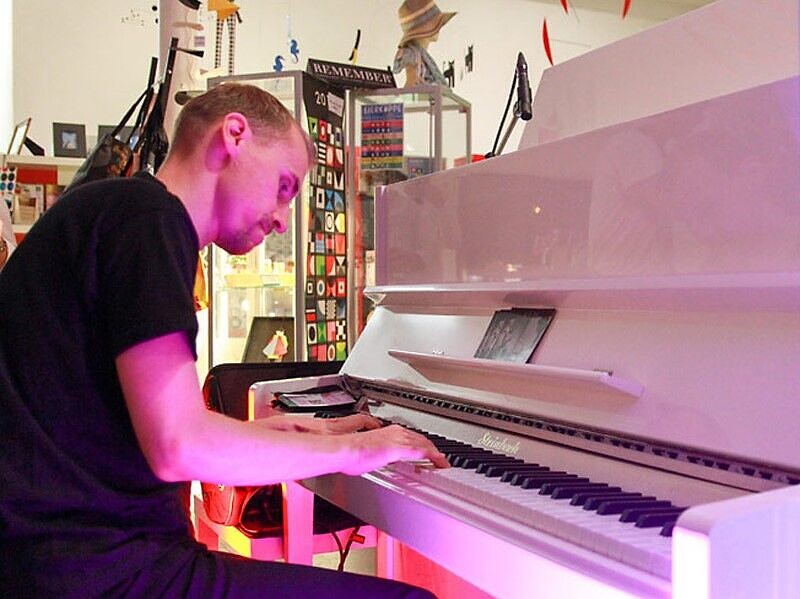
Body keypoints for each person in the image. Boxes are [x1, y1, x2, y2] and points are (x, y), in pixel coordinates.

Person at [0, 83, 447, 598]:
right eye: (284, 187)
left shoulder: (115, 211)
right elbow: (180, 446)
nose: (282, 219)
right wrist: (353, 450)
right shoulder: (147, 219)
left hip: (67, 561)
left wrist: (305, 435)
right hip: (99, 570)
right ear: (234, 134)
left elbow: (139, 429)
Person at [392, 0, 456, 87]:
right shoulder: (412, 54)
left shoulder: (421, 55)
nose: (439, 28)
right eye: (436, 24)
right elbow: (410, 86)